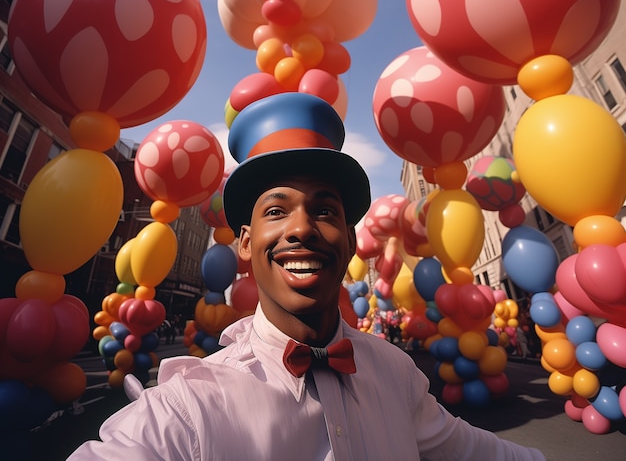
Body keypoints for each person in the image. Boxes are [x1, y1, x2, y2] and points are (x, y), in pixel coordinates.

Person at [68, 94, 546, 460]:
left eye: (324, 210)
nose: (301, 228)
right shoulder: (186, 409)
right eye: (277, 210)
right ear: (245, 242)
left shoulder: (397, 375)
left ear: (349, 239)